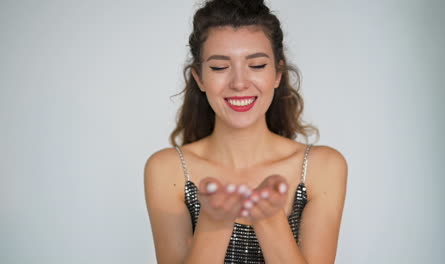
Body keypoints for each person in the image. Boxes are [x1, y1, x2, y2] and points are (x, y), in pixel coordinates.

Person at [144, 0, 347, 263]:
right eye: (219, 67)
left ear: (277, 74)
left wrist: (269, 219)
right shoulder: (167, 169)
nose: (239, 83)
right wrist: (214, 221)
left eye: (257, 65)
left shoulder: (323, 166)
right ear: (200, 78)